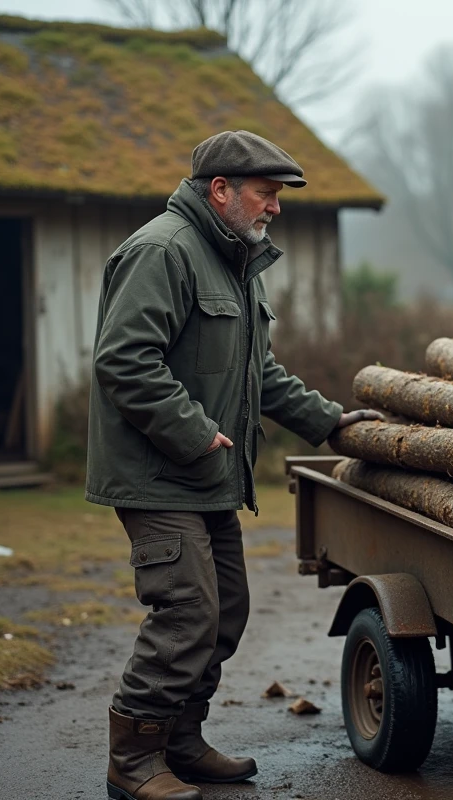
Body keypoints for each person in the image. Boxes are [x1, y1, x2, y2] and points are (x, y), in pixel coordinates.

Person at [85, 130, 380, 800]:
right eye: (266, 194)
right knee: (187, 610)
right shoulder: (164, 250)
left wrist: (330, 423)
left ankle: (179, 743)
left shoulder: (232, 262)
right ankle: (131, 762)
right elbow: (124, 362)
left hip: (207, 479)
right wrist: (194, 431)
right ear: (221, 190)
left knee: (226, 613)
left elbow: (260, 376)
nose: (275, 207)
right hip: (158, 473)